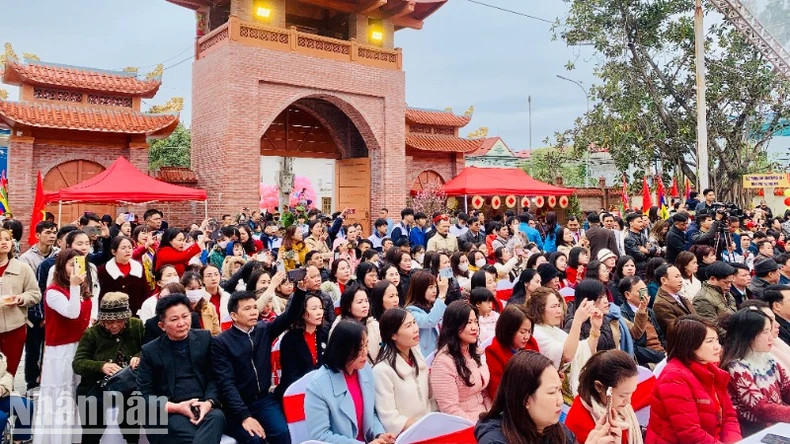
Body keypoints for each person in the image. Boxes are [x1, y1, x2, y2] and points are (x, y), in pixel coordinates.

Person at [212, 270, 313, 444]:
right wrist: (244, 416)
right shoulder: (222, 342)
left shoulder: (263, 330)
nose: (253, 312)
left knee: (282, 434)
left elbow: (288, 317)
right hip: (236, 407)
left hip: (264, 400)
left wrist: (301, 291)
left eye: (254, 308)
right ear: (234, 316)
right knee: (255, 440)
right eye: (247, 309)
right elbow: (226, 383)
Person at [476, 351, 620, 444]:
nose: (560, 401)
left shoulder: (559, 432)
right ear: (525, 399)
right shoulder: (494, 439)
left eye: (560, 390)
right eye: (552, 392)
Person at [136, 294, 226, 444]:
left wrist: (208, 402)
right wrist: (177, 408)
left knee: (217, 417)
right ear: (162, 326)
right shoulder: (150, 351)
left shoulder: (204, 338)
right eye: (174, 319)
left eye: (185, 316)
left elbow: (214, 378)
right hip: (170, 411)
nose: (182, 323)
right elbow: (144, 395)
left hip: (203, 407)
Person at [647, 315, 741, 443]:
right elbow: (690, 433)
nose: (717, 347)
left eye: (717, 340)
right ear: (689, 344)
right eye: (709, 341)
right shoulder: (673, 377)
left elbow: (729, 417)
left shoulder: (712, 370)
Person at [304, 320, 395, 444]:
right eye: (359, 348)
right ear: (343, 349)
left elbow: (371, 413)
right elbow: (320, 435)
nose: (365, 352)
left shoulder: (365, 370)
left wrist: (379, 434)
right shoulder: (318, 385)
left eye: (366, 345)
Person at [36, 248, 92, 444]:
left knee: (77, 393)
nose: (76, 268)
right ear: (61, 267)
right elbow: (72, 313)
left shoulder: (83, 287)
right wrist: (75, 286)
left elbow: (86, 315)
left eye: (79, 263)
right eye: (71, 264)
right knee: (61, 396)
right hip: (61, 350)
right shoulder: (52, 292)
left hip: (81, 346)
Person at [73, 292, 144, 444]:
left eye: (119, 321)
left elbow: (148, 349)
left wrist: (138, 356)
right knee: (93, 419)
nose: (114, 325)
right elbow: (78, 363)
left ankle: (132, 440)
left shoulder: (136, 326)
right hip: (97, 385)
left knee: (132, 410)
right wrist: (101, 366)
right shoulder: (92, 333)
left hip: (129, 384)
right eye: (109, 322)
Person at [720, 308, 790, 435]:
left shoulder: (767, 358)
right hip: (756, 431)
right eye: (765, 332)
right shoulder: (736, 367)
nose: (771, 338)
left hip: (779, 424)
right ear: (749, 335)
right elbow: (761, 409)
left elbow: (787, 389)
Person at [372, 308, 433, 435]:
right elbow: (390, 418)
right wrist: (423, 428)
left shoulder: (417, 354)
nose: (415, 329)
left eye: (414, 323)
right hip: (408, 434)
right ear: (393, 335)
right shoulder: (382, 370)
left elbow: (431, 398)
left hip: (430, 426)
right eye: (408, 326)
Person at [429, 301, 491, 422]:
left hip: (484, 416)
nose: (475, 327)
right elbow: (450, 409)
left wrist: (491, 414)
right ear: (454, 325)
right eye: (468, 322)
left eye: (475, 322)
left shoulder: (476, 352)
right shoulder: (443, 362)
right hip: (465, 424)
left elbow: (484, 392)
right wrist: (478, 427)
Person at [565, 350, 641, 444]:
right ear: (599, 387)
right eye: (622, 395)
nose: (628, 401)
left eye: (631, 393)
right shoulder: (579, 422)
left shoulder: (616, 406)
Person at [0, 227, 41, 377]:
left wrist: (21, 299)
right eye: (0, 239)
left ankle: (6, 396)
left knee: (9, 371)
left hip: (14, 328)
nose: (4, 242)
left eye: (7, 239)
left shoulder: (23, 268)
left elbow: (35, 294)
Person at [276, 289, 327, 401]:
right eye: (314, 309)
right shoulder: (290, 339)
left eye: (321, 308)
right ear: (302, 313)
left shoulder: (324, 334)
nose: (319, 312)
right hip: (297, 393)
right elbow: (291, 375)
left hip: (322, 391)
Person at [484, 304, 539, 398]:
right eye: (522, 332)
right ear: (509, 330)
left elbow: (539, 372)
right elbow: (497, 393)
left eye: (529, 331)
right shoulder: (493, 352)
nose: (527, 337)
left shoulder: (531, 343)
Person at [618, 276, 665, 366]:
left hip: (661, 354)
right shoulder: (622, 315)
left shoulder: (649, 311)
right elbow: (634, 348)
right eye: (641, 291)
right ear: (627, 295)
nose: (645, 294)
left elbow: (661, 336)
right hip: (646, 362)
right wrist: (661, 356)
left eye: (646, 290)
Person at [330, 283, 382, 362]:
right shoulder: (340, 327)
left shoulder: (374, 324)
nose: (365, 305)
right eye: (359, 302)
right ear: (348, 307)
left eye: (366, 301)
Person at [97, 235, 148, 316]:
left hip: (135, 313)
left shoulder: (138, 268)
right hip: (112, 315)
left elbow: (145, 291)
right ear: (114, 251)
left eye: (130, 247)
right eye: (123, 248)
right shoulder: (103, 270)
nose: (128, 251)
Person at [405, 270, 448, 357]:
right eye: (430, 287)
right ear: (420, 289)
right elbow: (430, 321)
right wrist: (442, 295)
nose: (434, 291)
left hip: (441, 352)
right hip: (425, 356)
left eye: (435, 287)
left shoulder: (435, 305)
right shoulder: (411, 311)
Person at [652, 264, 696, 334]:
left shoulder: (681, 297)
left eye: (680, 276)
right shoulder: (661, 304)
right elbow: (676, 330)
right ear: (664, 280)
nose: (681, 280)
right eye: (676, 277)